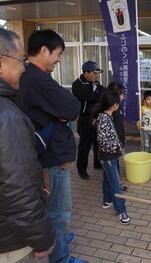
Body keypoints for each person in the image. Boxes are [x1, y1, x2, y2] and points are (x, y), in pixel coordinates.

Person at [16, 29, 83, 263]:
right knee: (59, 211)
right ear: (44, 50)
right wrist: (61, 114)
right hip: (52, 156)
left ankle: (60, 239)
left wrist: (60, 113)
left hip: (43, 154)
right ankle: (61, 257)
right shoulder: (38, 78)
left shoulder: (25, 75)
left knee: (52, 209)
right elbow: (73, 108)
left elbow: (66, 109)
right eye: (58, 53)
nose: (59, 59)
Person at [0, 28, 55, 263]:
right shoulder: (7, 118)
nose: (24, 67)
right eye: (21, 60)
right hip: (11, 242)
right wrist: (43, 238)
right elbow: (17, 191)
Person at [93, 89, 130, 224]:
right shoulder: (104, 119)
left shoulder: (107, 116)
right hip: (108, 156)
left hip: (109, 155)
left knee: (107, 178)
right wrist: (118, 148)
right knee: (115, 183)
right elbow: (103, 142)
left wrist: (118, 147)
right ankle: (121, 211)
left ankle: (107, 200)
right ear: (114, 104)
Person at [72, 60, 104, 180]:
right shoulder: (77, 84)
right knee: (85, 145)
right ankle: (82, 169)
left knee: (97, 142)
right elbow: (89, 97)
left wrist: (98, 91)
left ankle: (97, 162)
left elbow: (103, 94)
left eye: (97, 73)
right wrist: (97, 92)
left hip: (96, 117)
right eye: (94, 73)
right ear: (86, 72)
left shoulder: (95, 83)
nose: (96, 76)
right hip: (85, 119)